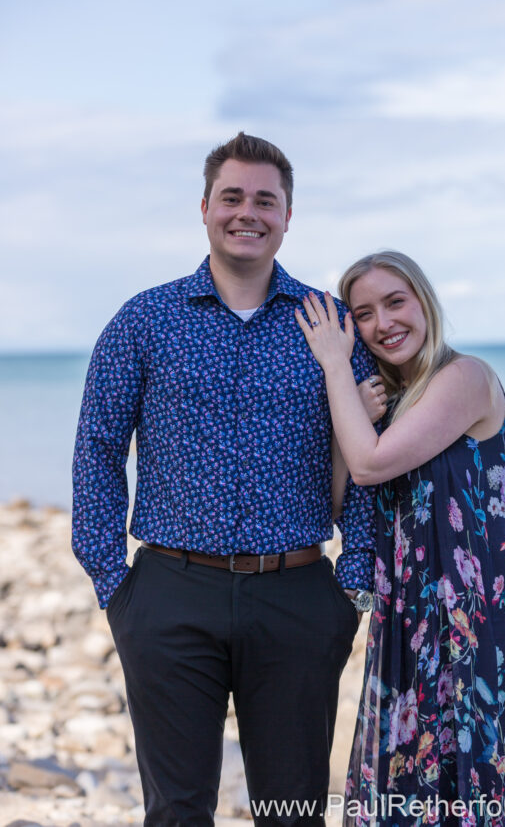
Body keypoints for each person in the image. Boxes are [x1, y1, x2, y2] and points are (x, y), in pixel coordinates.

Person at [71, 133, 377, 827]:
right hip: (169, 597)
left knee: (291, 811)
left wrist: (352, 583)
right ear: (205, 207)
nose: (249, 212)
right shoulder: (144, 320)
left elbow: (367, 456)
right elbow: (97, 446)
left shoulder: (328, 324)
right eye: (232, 197)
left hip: (299, 595)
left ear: (288, 215)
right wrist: (112, 582)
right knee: (177, 810)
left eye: (265, 200)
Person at [295, 251, 505, 826]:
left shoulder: (464, 379)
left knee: (489, 797)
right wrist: (351, 419)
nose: (383, 323)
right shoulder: (383, 406)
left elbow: (372, 465)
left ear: (424, 301)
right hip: (408, 628)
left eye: (395, 302)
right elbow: (341, 502)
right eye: (363, 314)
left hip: (486, 628)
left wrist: (334, 366)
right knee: (406, 798)